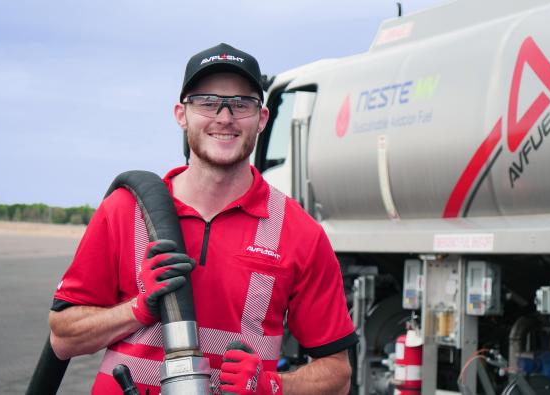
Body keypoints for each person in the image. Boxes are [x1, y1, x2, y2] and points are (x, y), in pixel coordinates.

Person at [49, 43, 358, 394]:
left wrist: (272, 386)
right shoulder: (125, 210)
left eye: (241, 104)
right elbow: (62, 338)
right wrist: (136, 309)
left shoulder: (299, 233)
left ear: (262, 118)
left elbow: (338, 375)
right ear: (182, 114)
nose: (224, 117)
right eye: (207, 102)